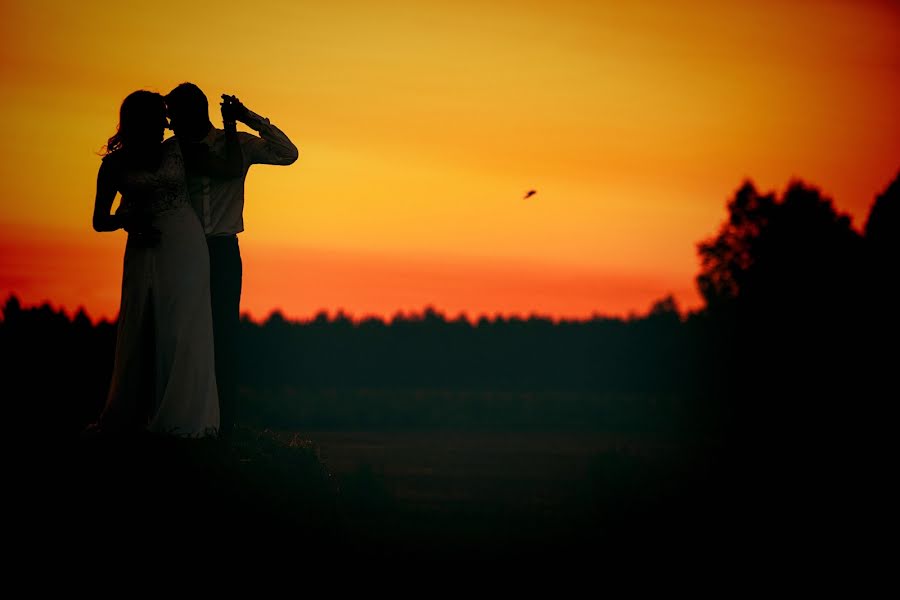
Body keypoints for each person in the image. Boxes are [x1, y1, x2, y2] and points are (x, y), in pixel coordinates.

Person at [89, 90, 241, 437]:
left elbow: (229, 169)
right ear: (141, 121)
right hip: (144, 249)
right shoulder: (113, 165)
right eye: (160, 117)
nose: (167, 124)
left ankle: (187, 415)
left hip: (187, 247)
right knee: (143, 323)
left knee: (187, 326)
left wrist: (231, 124)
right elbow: (99, 220)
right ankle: (142, 411)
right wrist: (129, 222)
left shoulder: (178, 149)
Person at [165, 83, 299, 439]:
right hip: (184, 250)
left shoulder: (237, 143)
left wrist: (247, 118)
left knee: (223, 335)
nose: (171, 122)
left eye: (175, 116)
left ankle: (223, 424)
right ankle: (186, 416)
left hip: (224, 250)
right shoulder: (174, 150)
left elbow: (289, 153)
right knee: (185, 335)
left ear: (194, 112)